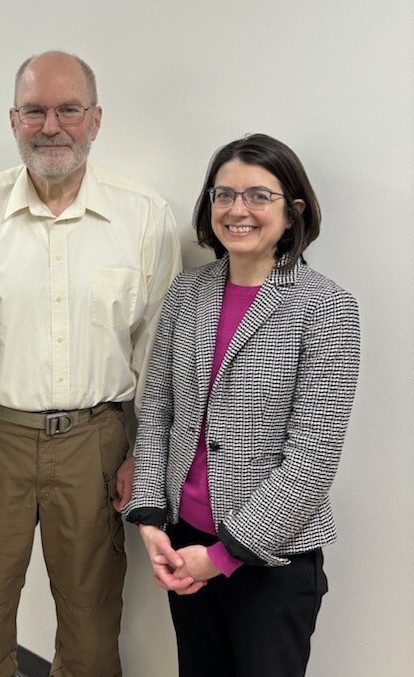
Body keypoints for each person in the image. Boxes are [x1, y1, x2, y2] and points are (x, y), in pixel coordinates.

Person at [0, 51, 182, 677]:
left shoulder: (144, 217)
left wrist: (142, 455)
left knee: (93, 636)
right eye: (35, 110)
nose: (51, 126)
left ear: (96, 119)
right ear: (13, 119)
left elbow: (160, 354)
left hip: (97, 442)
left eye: (69, 109)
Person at [125, 133, 361, 677]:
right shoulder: (188, 292)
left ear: (294, 210)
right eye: (224, 194)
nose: (238, 210)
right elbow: (157, 408)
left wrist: (225, 556)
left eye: (259, 195)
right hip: (184, 544)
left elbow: (314, 457)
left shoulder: (326, 307)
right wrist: (150, 516)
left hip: (271, 562)